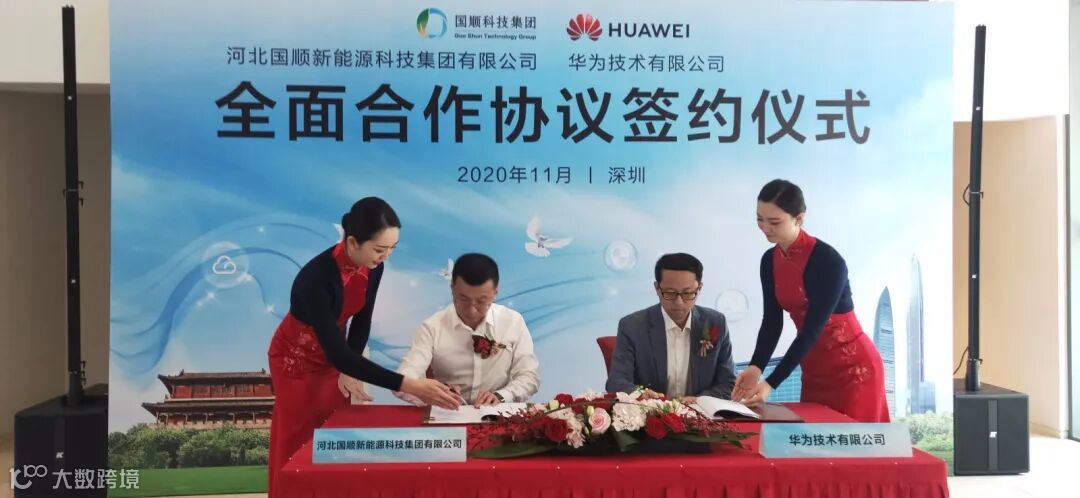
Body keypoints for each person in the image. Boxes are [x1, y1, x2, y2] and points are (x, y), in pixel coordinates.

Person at [266, 197, 460, 496]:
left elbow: (361, 320)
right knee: (300, 439)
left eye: (392, 249)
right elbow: (338, 353)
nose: (385, 257)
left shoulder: (373, 266)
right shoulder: (315, 278)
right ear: (353, 242)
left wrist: (350, 367)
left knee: (332, 435)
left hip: (338, 355)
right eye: (380, 249)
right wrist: (410, 384)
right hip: (297, 362)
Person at [732, 179, 889, 422]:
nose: (765, 228)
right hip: (814, 368)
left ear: (799, 219)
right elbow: (772, 322)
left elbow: (812, 330)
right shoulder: (769, 261)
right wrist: (756, 367)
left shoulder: (828, 261)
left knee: (853, 442)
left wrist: (771, 383)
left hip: (854, 369)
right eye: (759, 219)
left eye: (774, 222)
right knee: (817, 442)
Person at [396, 253, 540, 406]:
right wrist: (432, 394)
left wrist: (502, 395)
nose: (471, 310)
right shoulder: (432, 327)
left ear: (495, 293)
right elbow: (402, 381)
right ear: (452, 289)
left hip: (496, 412)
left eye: (481, 301)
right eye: (463, 299)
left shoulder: (512, 322)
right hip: (447, 413)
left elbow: (529, 377)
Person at [605, 253, 736, 403]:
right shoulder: (632, 326)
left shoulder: (716, 323)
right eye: (670, 293)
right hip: (651, 413)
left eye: (687, 293)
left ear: (699, 288)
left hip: (701, 413)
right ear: (657, 288)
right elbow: (616, 382)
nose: (679, 302)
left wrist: (700, 400)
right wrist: (641, 395)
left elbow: (728, 383)